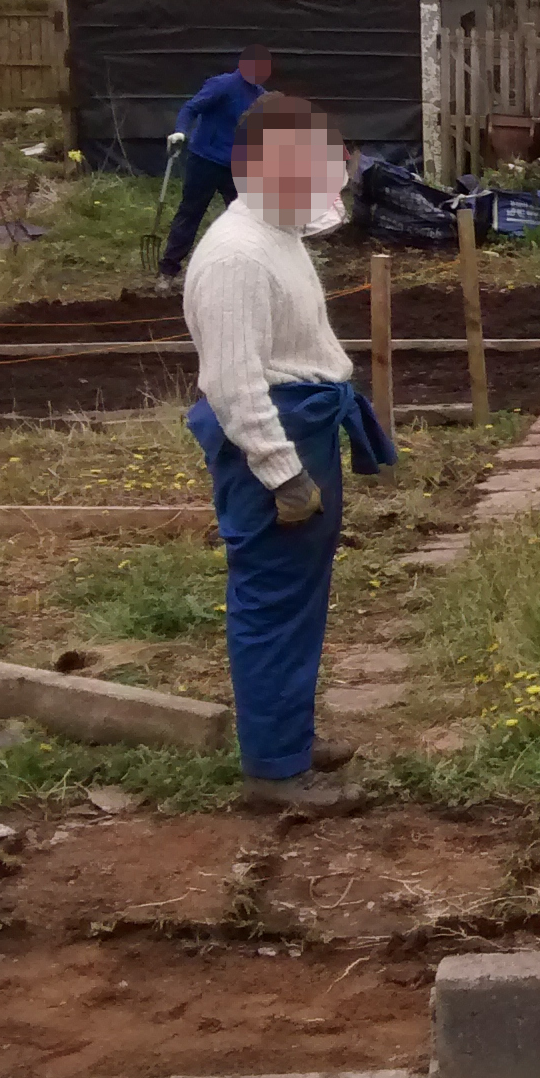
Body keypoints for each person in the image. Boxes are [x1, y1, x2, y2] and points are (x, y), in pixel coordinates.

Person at [182, 92, 396, 816]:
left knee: (300, 600)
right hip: (269, 447)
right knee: (272, 602)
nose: (325, 182)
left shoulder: (278, 233)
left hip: (302, 428)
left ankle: (289, 739)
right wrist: (283, 473)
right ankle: (275, 772)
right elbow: (232, 383)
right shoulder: (236, 258)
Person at [160, 49, 273, 278]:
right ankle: (169, 269)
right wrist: (181, 131)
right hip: (205, 160)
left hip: (238, 168)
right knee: (191, 212)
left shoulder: (261, 97)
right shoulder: (223, 85)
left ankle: (247, 268)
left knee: (248, 217)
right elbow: (191, 108)